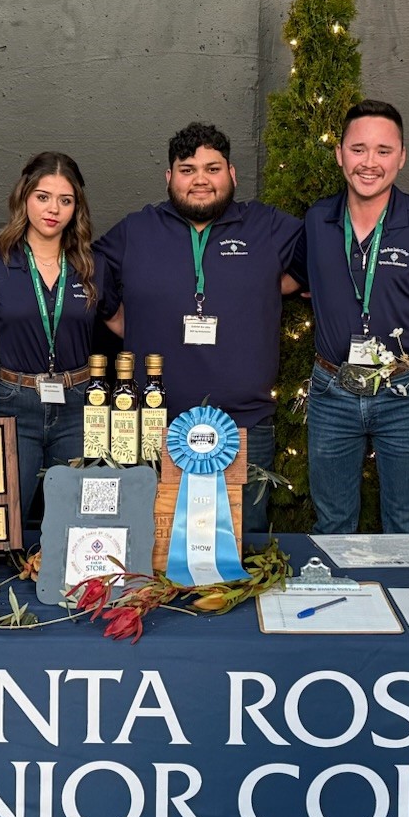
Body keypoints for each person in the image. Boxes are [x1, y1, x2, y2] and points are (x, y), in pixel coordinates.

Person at [95, 123, 303, 534]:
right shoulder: (136, 230)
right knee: (150, 543)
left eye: (213, 168)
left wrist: (261, 289)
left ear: (232, 174)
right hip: (153, 424)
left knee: (243, 549)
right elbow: (88, 279)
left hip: (244, 426)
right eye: (188, 169)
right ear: (169, 177)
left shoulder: (268, 227)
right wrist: (129, 324)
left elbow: (310, 270)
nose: (201, 180)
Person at [301, 100, 409, 534]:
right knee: (331, 523)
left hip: (404, 389)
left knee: (406, 525)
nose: (370, 163)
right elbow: (295, 279)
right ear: (340, 154)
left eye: (384, 151)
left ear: (402, 157)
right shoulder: (316, 221)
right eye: (359, 149)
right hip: (332, 388)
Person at [0, 153, 101, 522]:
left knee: (80, 517)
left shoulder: (94, 266)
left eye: (65, 201)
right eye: (43, 197)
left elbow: (124, 325)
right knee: (8, 518)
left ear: (76, 208)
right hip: (15, 400)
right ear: (24, 197)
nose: (54, 209)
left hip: (79, 404)